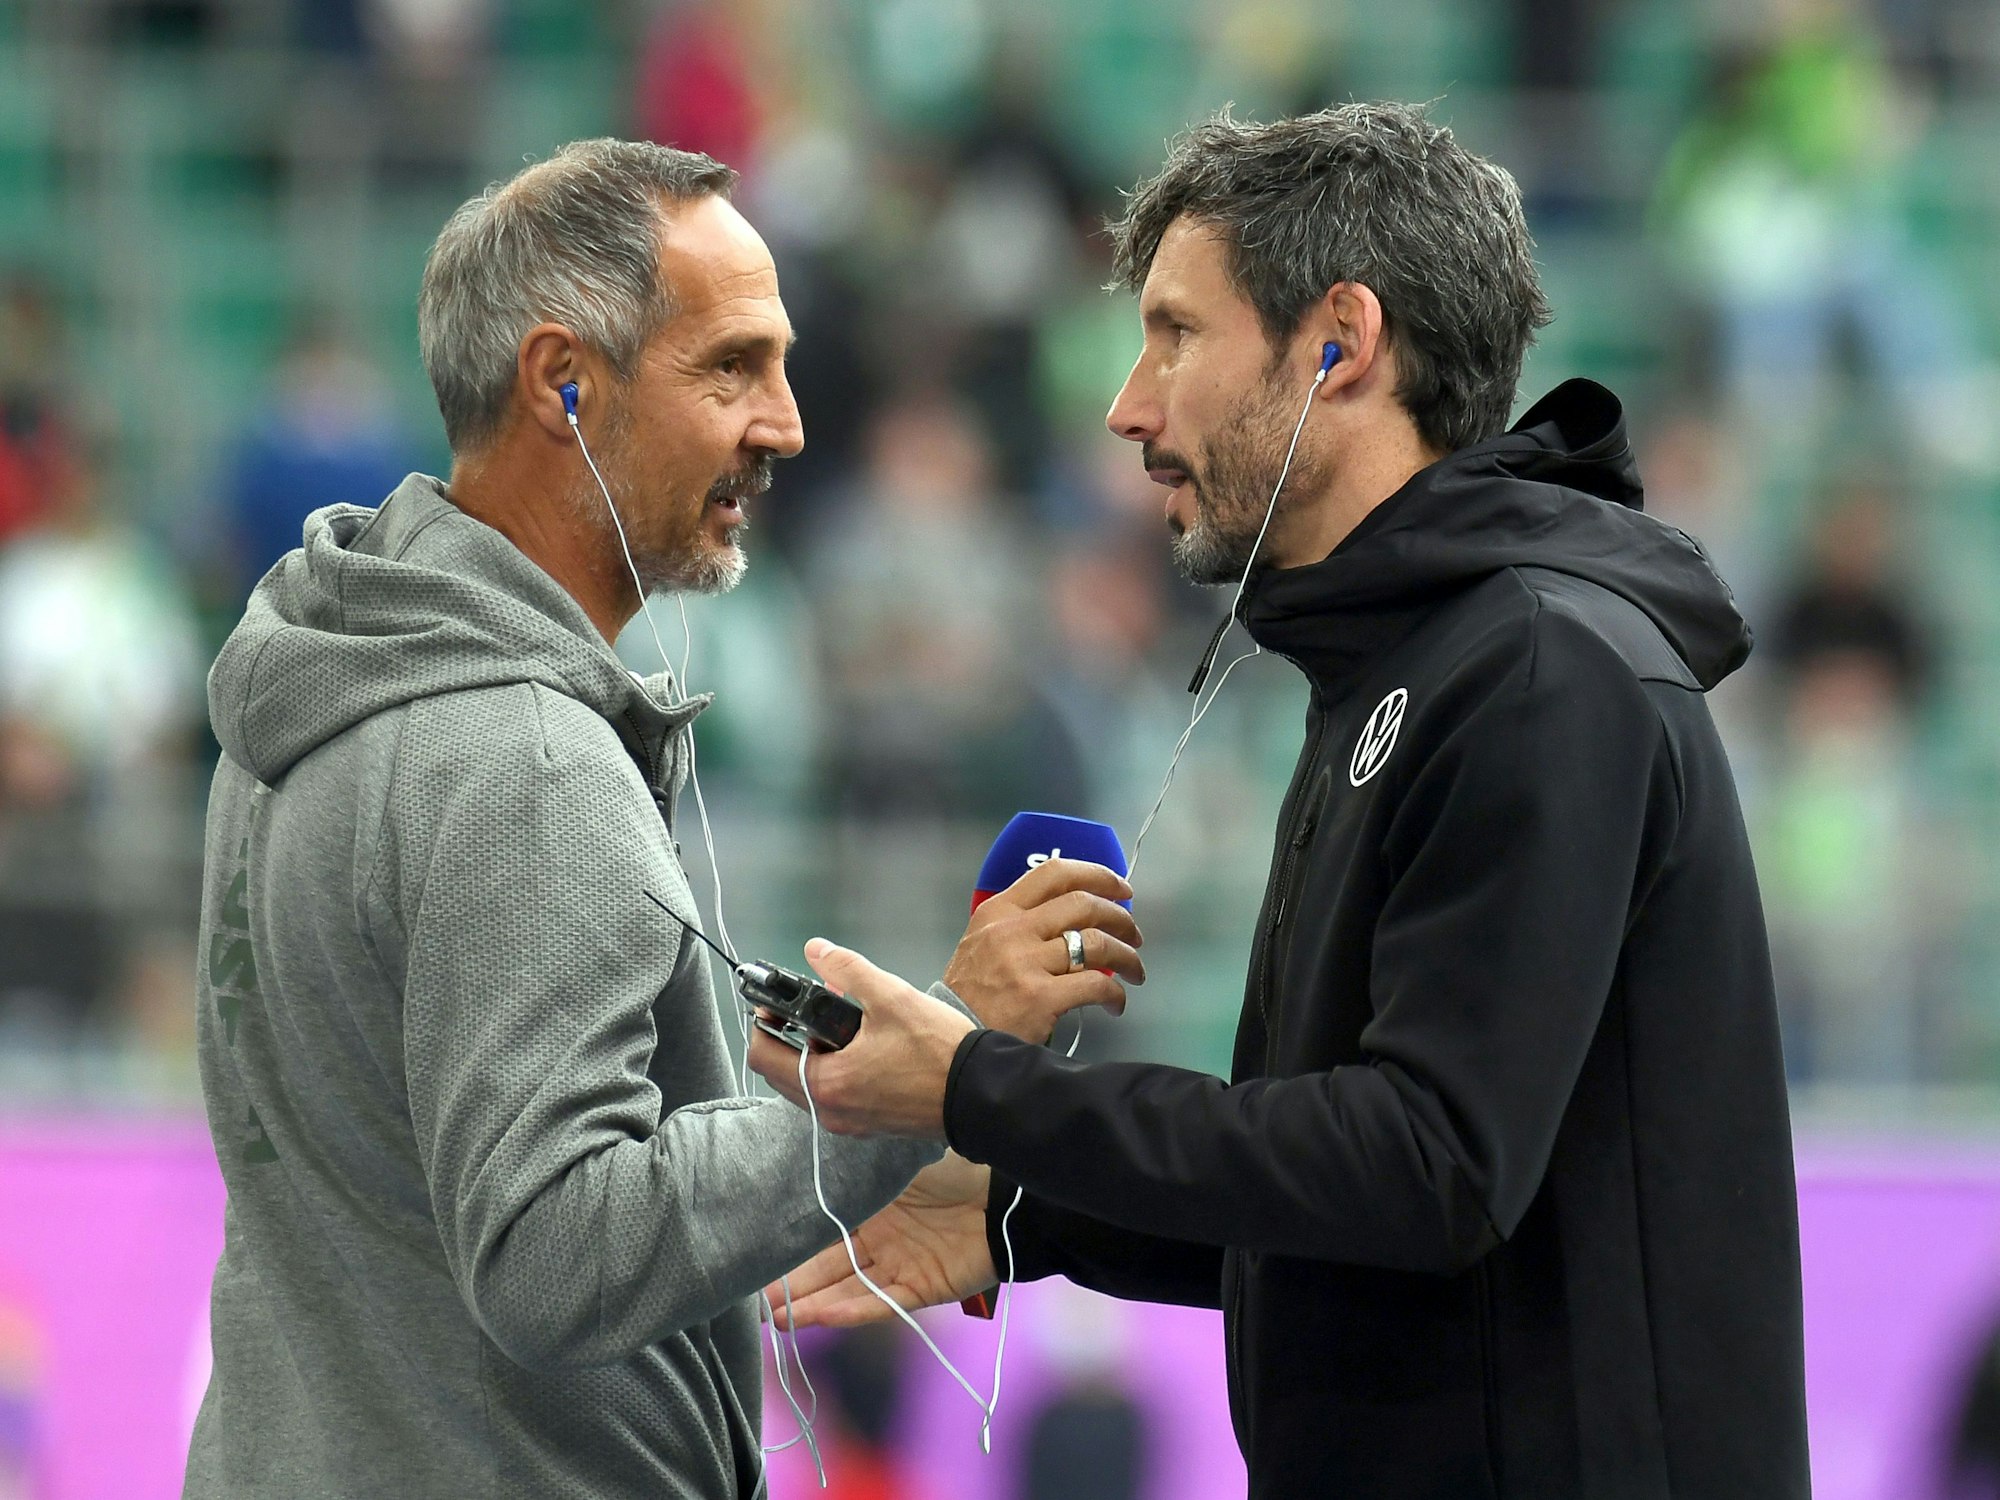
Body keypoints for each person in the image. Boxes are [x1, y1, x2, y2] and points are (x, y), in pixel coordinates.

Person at [751, 104, 1810, 1498]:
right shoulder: (1406, 667)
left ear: (1340, 344)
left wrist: (977, 1088)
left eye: (1176, 334)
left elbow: (1429, 1167)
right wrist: (1025, 1207)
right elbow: (1350, 1206)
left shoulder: (1539, 672)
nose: (1130, 404)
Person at [185, 139, 1142, 1499]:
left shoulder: (319, 683)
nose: (789, 422)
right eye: (733, 366)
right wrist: (915, 1083)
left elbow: (420, 1193)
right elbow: (551, 1253)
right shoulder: (525, 762)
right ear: (563, 382)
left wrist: (817, 1163)